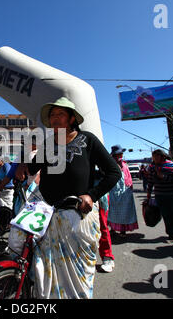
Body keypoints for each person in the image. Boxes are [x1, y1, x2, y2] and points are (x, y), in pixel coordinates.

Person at [14, 96, 121, 299]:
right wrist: (22, 165)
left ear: (72, 119)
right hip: (48, 215)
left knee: (78, 275)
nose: (55, 118)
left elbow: (113, 172)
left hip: (78, 218)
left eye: (60, 114)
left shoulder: (88, 140)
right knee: (45, 270)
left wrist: (92, 195)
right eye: (52, 115)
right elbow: (31, 168)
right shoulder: (47, 144)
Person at [147, 149, 173, 243]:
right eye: (153, 157)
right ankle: (171, 234)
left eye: (156, 157)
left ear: (162, 156)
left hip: (172, 194)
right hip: (160, 195)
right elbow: (150, 181)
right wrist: (148, 194)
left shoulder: (171, 165)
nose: (154, 159)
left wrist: (164, 177)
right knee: (166, 215)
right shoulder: (152, 167)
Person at [107, 145, 139, 238]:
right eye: (119, 153)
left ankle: (123, 230)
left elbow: (127, 177)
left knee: (125, 211)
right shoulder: (111, 164)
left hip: (125, 190)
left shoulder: (124, 164)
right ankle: (113, 229)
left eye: (121, 153)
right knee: (112, 211)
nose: (121, 155)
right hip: (113, 190)